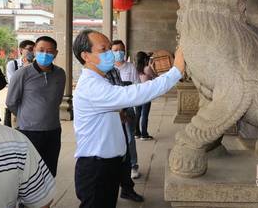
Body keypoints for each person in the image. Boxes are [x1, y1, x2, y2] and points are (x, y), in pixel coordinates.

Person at [72, 29, 184, 208]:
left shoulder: (101, 80)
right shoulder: (91, 86)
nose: (111, 54)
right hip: (96, 168)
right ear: (86, 56)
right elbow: (136, 93)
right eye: (104, 50)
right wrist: (176, 71)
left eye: (110, 48)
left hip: (108, 164)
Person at [6, 36, 66, 177]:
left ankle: (47, 199)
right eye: (41, 50)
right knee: (29, 173)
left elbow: (57, 100)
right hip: (29, 131)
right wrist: (27, 116)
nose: (45, 54)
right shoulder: (22, 74)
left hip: (53, 130)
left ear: (56, 53)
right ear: (34, 50)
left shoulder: (60, 74)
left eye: (49, 51)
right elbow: (11, 102)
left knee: (50, 171)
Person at [0, 122, 55, 208]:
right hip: (29, 128)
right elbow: (42, 202)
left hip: (50, 128)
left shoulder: (16, 142)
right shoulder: (16, 141)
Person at [105, 67, 144, 203]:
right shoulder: (92, 75)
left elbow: (122, 90)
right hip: (105, 123)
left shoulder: (114, 71)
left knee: (125, 153)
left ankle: (127, 189)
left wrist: (123, 110)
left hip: (120, 116)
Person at [112, 39, 141, 179]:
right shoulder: (109, 69)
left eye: (121, 50)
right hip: (113, 111)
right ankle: (117, 165)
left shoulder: (130, 67)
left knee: (130, 138)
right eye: (115, 50)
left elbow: (137, 87)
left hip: (128, 109)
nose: (119, 52)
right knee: (115, 138)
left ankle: (133, 165)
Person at [5, 39, 35, 127]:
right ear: (21, 50)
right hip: (17, 105)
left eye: (34, 50)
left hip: (33, 105)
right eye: (29, 49)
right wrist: (25, 69)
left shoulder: (38, 65)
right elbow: (14, 83)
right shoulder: (12, 64)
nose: (32, 52)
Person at [135, 51, 157, 140]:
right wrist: (152, 66)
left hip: (137, 93)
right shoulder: (147, 68)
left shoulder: (135, 68)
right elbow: (156, 77)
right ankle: (144, 134)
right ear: (145, 59)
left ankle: (136, 133)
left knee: (138, 113)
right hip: (146, 94)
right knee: (145, 114)